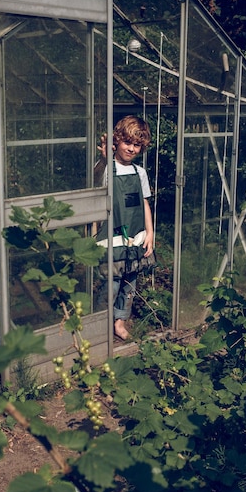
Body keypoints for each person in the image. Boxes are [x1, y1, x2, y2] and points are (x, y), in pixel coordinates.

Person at [94, 115, 154, 341]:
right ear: (116, 142)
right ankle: (101, 322)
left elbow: (145, 203)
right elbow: (95, 178)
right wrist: (103, 159)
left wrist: (150, 233)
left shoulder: (140, 173)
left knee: (130, 284)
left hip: (135, 238)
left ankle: (119, 322)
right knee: (111, 283)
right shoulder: (108, 169)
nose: (131, 148)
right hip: (112, 238)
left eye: (137, 145)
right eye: (127, 142)